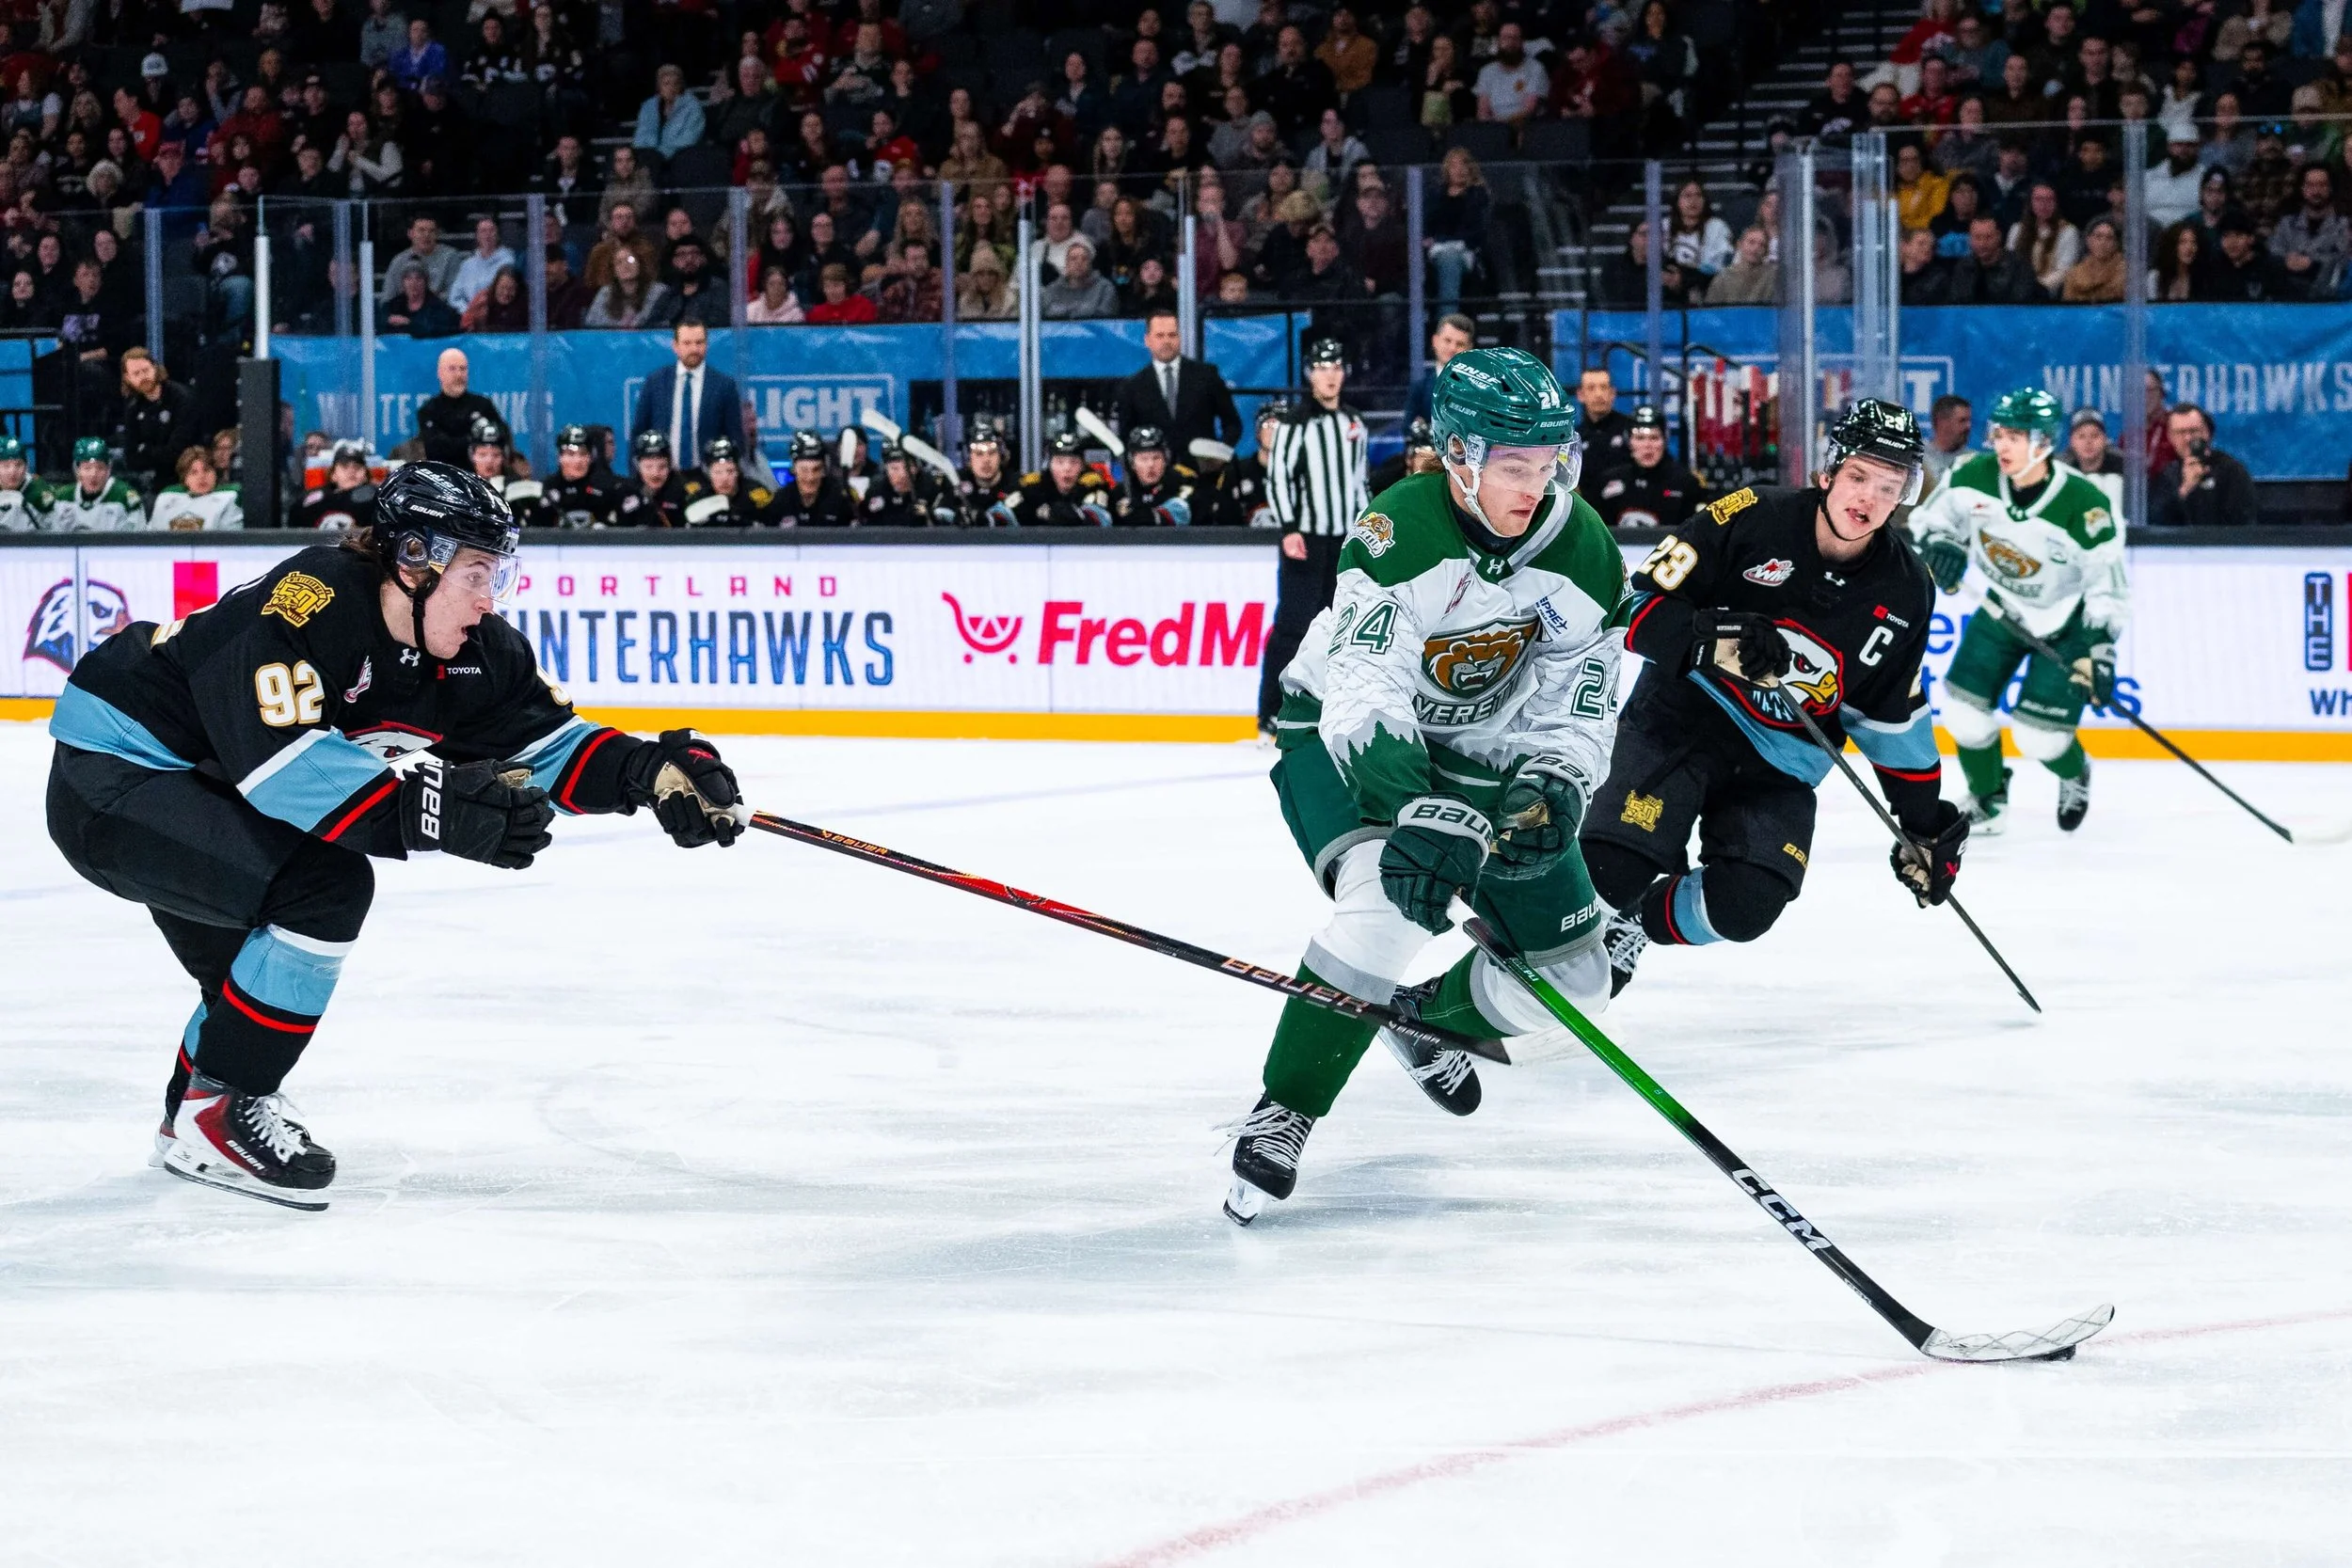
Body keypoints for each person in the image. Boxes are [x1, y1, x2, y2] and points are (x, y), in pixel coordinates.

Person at [46, 460, 746, 1208]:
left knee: (256, 976)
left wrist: (650, 770)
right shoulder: (306, 604)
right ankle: (218, 1112)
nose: (489, 598)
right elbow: (281, 771)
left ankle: (199, 1114)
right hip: (115, 769)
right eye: (476, 573)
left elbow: (546, 746)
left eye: (496, 574)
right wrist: (437, 811)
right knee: (322, 888)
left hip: (203, 782)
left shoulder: (474, 652)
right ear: (414, 560)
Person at [1223, 346, 1623, 1222]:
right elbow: (1366, 690)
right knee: (1388, 899)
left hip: (1483, 755)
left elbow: (1580, 700)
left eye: (1549, 462)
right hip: (1342, 739)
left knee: (1582, 979)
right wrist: (1418, 808)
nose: (1535, 483)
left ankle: (1413, 1014)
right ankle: (1286, 1106)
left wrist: (1557, 779)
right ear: (1457, 456)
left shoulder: (1585, 550)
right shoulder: (1399, 528)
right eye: (1514, 463)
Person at [1581, 401, 1965, 997]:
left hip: (1782, 762)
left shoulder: (1908, 590)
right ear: (1829, 472)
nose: (1867, 498)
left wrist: (1925, 828)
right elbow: (1633, 608)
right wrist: (1715, 636)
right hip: (1684, 715)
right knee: (1612, 866)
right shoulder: (1751, 513)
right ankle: (1550, 924)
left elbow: (1891, 717)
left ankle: (1635, 923)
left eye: (1889, 487)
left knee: (1747, 905)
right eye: (1859, 477)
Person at [1910, 388, 2128, 834]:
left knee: (2039, 738)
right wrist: (1940, 545)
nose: (2002, 446)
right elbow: (1930, 521)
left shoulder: (2085, 505)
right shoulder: (1974, 474)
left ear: (2044, 443)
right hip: (2001, 610)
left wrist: (2101, 650)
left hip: (2065, 622)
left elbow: (2107, 584)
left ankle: (2074, 771)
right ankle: (1989, 802)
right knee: (1963, 715)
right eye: (1999, 434)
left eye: (2015, 436)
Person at [1257, 336, 1368, 729]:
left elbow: (1359, 483)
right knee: (1293, 624)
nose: (1330, 375)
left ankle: (1329, 707)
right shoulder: (1293, 424)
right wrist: (1288, 528)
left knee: (1341, 625)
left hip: (1344, 539)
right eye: (1322, 368)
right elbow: (1279, 479)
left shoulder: (1354, 423)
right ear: (1310, 374)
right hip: (1305, 537)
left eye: (1336, 367)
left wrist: (1365, 533)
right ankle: (1271, 709)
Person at [1114, 309, 1244, 459]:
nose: (1166, 341)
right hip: (1156, 477)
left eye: (1172, 335)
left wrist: (1219, 456)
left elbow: (1233, 424)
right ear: (1147, 340)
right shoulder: (1132, 387)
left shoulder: (1207, 376)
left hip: (1203, 474)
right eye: (1160, 336)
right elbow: (1126, 436)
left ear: (1180, 337)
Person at [629, 320, 747, 468]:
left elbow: (734, 437)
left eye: (699, 343)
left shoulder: (724, 385)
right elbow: (639, 432)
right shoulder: (656, 382)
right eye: (687, 343)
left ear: (707, 345)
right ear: (675, 346)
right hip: (663, 476)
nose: (694, 349)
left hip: (708, 478)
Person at [1586, 404, 1707, 529]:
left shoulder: (1686, 483)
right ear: (1629, 441)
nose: (1647, 445)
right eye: (1640, 438)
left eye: (1654, 438)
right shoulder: (1607, 482)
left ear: (1665, 440)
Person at [2149, 403, 2259, 527]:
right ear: (2170, 437)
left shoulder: (2231, 470)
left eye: (2193, 431)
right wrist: (2185, 489)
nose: (2187, 438)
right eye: (2180, 432)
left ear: (2206, 433)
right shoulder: (2167, 474)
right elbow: (2156, 519)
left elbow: (2244, 519)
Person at [114, 347, 196, 491]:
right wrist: (158, 452)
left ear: (155, 368)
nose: (143, 377)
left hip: (186, 478)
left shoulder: (181, 398)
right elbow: (131, 459)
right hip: (153, 480)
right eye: (136, 373)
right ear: (128, 378)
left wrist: (145, 449)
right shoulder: (133, 406)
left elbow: (177, 452)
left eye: (146, 370)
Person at [413, 348, 505, 467]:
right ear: (440, 373)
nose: (458, 375)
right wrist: (472, 440)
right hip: (444, 476)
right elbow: (436, 449)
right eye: (452, 369)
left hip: (479, 477)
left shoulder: (483, 405)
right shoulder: (428, 411)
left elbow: (500, 438)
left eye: (463, 369)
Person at [1011, 429, 1117, 525]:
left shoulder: (1094, 483)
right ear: (1049, 464)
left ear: (1083, 465)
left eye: (1074, 462)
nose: (1067, 468)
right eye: (1060, 462)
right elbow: (1004, 515)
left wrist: (1051, 512)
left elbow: (1098, 520)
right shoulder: (1033, 485)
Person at [42, 436, 144, 529]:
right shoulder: (62, 497)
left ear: (108, 470)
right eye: (87, 468)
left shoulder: (125, 498)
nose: (93, 474)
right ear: (77, 470)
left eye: (100, 468)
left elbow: (139, 541)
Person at [532, 422, 620, 528]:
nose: (577, 461)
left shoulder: (607, 490)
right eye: (570, 454)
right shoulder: (544, 490)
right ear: (559, 457)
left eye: (583, 454)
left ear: (591, 457)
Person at [1107, 426, 1198, 526]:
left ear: (1166, 459)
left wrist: (1143, 515)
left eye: (1156, 458)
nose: (1151, 464)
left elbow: (1181, 514)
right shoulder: (1120, 492)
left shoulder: (1181, 482)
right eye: (1144, 459)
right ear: (1132, 463)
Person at [851, 440, 953, 527]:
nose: (902, 475)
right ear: (886, 469)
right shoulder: (876, 488)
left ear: (916, 468)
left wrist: (928, 514)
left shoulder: (932, 486)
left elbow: (947, 521)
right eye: (894, 468)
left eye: (907, 467)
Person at [770, 429, 858, 526]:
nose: (810, 478)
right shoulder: (781, 500)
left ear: (824, 470)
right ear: (794, 469)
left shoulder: (841, 498)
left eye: (816, 469)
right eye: (804, 470)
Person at [683, 436, 780, 526]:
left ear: (738, 471)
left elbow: (774, 526)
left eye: (730, 471)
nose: (725, 478)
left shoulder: (756, 494)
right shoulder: (698, 497)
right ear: (709, 474)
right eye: (718, 472)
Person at [146, 445, 245, 531]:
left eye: (206, 470)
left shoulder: (229, 497)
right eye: (193, 472)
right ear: (185, 479)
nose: (201, 477)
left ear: (215, 474)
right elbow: (152, 537)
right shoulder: (167, 497)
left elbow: (229, 542)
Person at [1405, 312, 1474, 424]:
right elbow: (1407, 430)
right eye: (1447, 341)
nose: (1452, 348)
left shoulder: (1478, 389)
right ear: (1435, 341)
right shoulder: (1420, 388)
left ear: (1469, 349)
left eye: (1460, 344)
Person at [293, 438, 377, 530]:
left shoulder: (375, 502)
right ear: (333, 475)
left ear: (366, 476)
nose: (351, 471)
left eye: (357, 467)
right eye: (344, 466)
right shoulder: (312, 501)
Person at [953, 414, 1021, 526]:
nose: (986, 460)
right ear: (969, 459)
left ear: (1001, 456)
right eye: (979, 454)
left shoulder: (1016, 484)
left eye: (992, 452)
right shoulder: (957, 482)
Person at [614, 429, 691, 527]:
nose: (655, 474)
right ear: (638, 465)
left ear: (670, 466)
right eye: (648, 467)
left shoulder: (684, 492)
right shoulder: (625, 492)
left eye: (662, 466)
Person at [1574, 367, 1637, 475]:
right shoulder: (1575, 437)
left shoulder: (1632, 429)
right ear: (1580, 395)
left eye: (1603, 387)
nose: (1598, 394)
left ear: (1613, 393)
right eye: (1591, 388)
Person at [0, 432, 56, 529]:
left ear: (26, 467)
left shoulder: (39, 491)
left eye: (18, 465)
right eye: (6, 466)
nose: (12, 472)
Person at [1921, 393, 1974, 488]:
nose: (1968, 426)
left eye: (1969, 420)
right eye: (1962, 420)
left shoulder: (1973, 461)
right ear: (1942, 422)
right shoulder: (1918, 456)